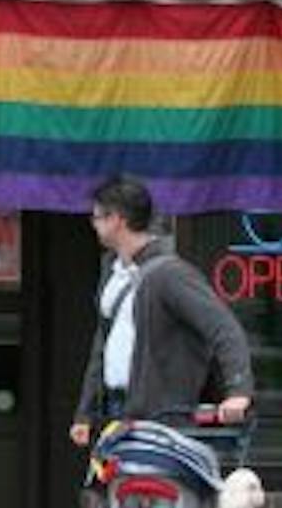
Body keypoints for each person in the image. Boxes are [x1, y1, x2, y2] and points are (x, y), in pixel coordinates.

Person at [70, 174, 254, 448]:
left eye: (96, 217)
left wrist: (238, 391)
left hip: (159, 416)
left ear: (117, 220)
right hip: (114, 412)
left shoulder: (171, 274)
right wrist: (85, 413)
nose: (93, 224)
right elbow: (103, 344)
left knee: (149, 476)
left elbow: (223, 328)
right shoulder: (113, 271)